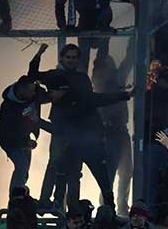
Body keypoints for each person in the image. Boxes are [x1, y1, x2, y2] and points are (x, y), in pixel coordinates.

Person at [29, 44, 132, 212]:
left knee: (77, 171)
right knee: (57, 165)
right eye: (68, 57)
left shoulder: (81, 82)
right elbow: (32, 75)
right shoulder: (55, 76)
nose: (71, 60)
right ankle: (51, 202)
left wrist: (124, 96)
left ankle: (75, 205)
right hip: (66, 130)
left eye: (74, 57)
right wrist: (38, 54)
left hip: (82, 137)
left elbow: (95, 99)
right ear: (62, 58)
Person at [0, 69, 59, 198]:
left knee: (24, 171)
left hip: (24, 139)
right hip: (11, 142)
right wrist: (25, 142)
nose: (33, 93)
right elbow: (7, 133)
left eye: (33, 90)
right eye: (30, 91)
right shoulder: (9, 107)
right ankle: (16, 198)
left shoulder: (33, 95)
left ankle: (19, 195)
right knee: (21, 167)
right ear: (21, 90)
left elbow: (46, 96)